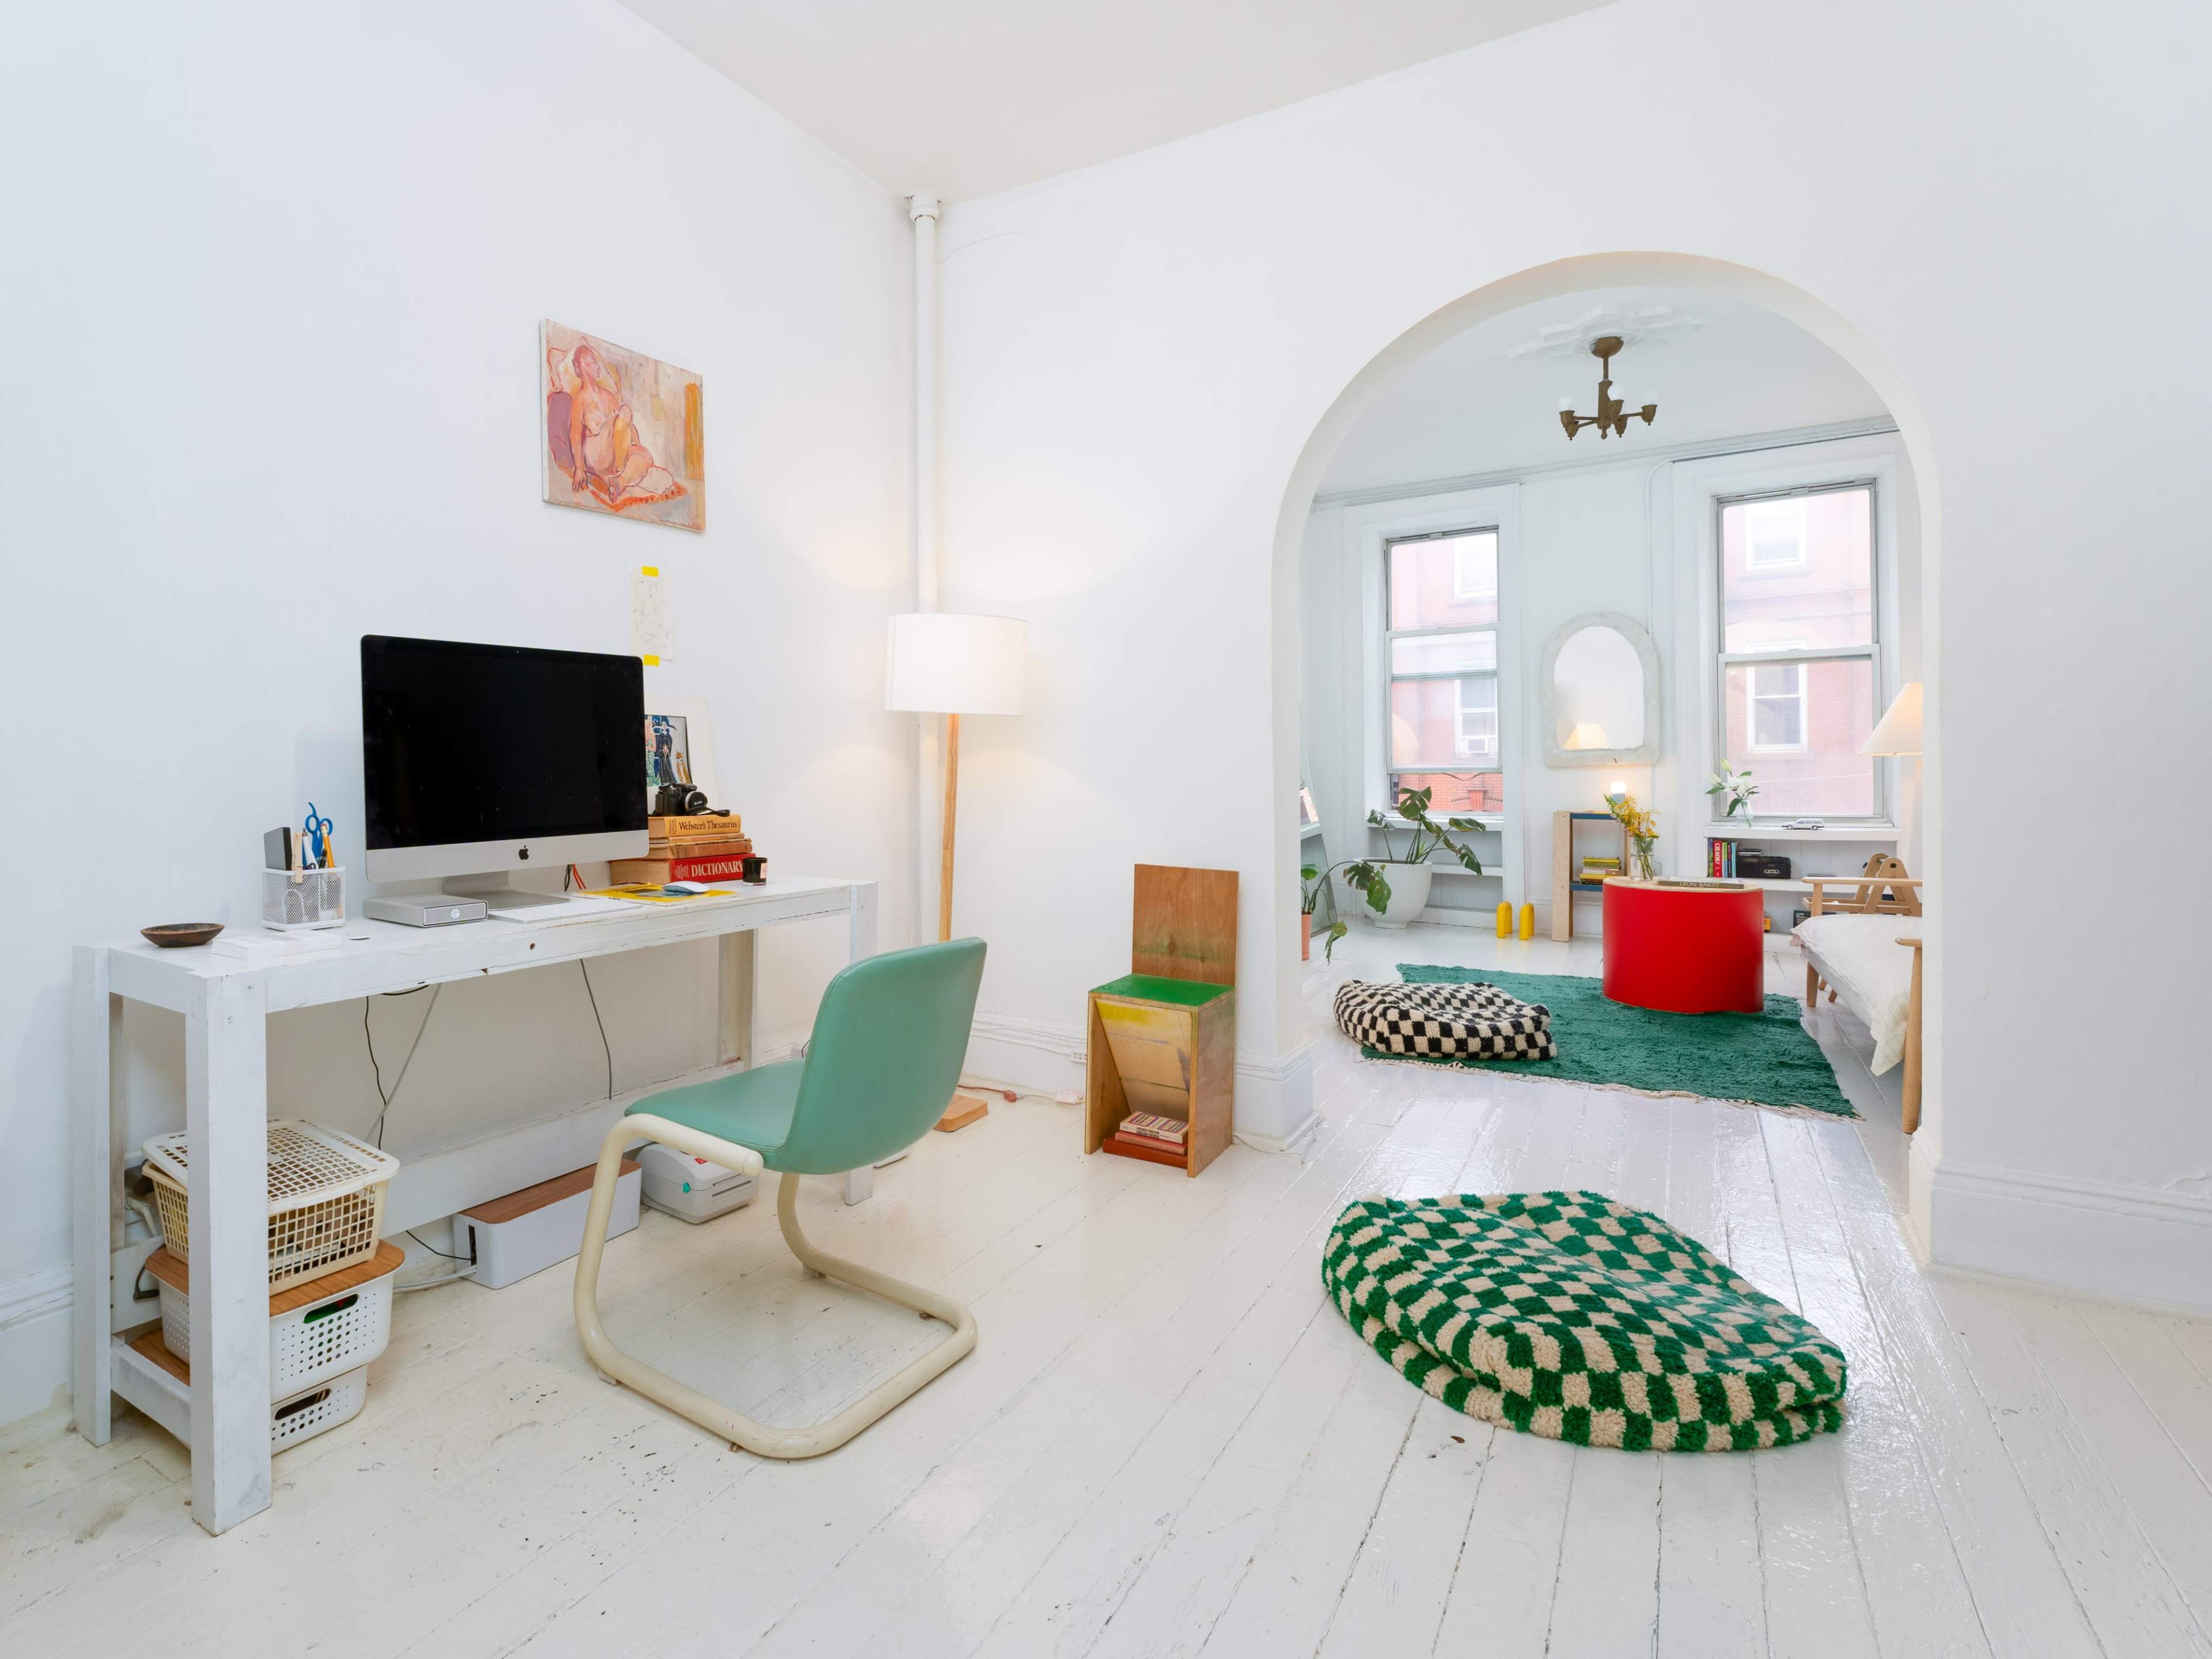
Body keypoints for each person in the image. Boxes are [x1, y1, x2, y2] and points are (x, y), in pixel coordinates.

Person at [546, 340, 682, 509]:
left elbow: (627, 425)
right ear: (579, 368)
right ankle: (621, 468)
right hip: (597, 454)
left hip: (615, 454)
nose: (597, 367)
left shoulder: (607, 395)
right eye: (591, 362)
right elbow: (575, 433)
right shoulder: (580, 399)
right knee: (624, 411)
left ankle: (619, 482)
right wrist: (579, 469)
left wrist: (636, 445)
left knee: (645, 455)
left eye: (596, 362)